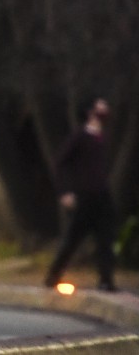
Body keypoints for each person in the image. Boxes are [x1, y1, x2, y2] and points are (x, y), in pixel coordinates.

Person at [43, 97, 116, 291]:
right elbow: (60, 163)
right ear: (91, 112)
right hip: (84, 195)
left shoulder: (103, 137)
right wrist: (65, 191)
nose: (105, 110)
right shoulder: (80, 136)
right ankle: (53, 275)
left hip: (102, 195)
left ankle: (106, 280)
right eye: (101, 106)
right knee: (73, 238)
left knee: (105, 240)